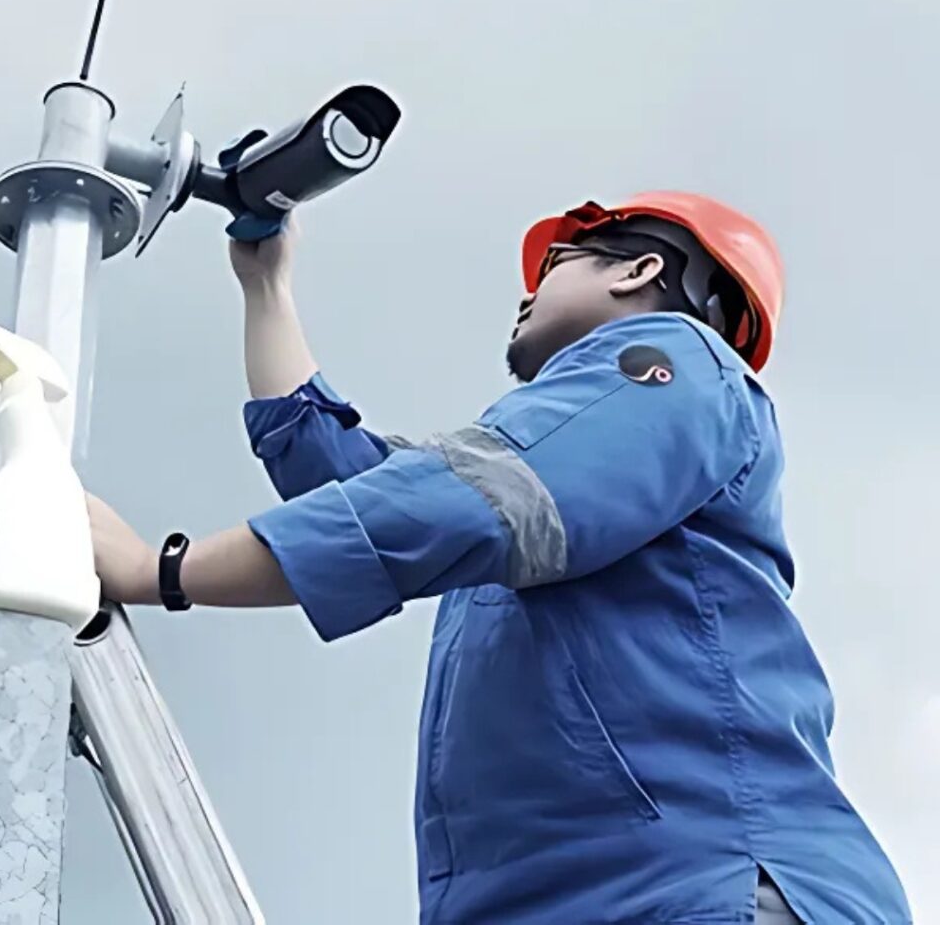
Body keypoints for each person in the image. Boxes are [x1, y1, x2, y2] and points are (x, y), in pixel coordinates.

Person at [88, 192, 912, 924]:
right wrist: (266, 287)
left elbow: (445, 505)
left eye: (555, 262)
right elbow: (357, 493)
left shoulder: (681, 367)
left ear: (640, 269)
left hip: (700, 886)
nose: (525, 291)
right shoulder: (560, 480)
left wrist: (160, 570)